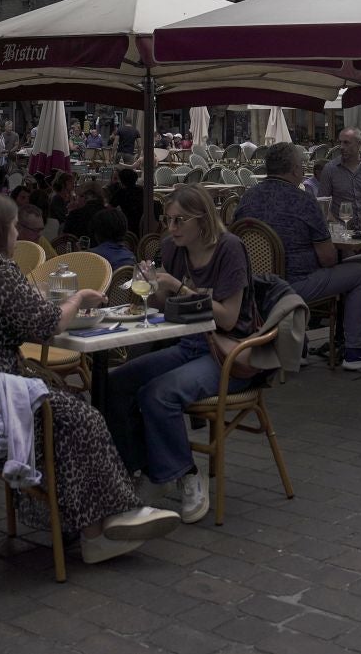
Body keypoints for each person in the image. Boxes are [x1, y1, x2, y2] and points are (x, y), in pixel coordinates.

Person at [0, 191, 178, 562]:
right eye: (12, 226)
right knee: (79, 415)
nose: (16, 234)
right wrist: (78, 300)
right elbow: (45, 325)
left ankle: (88, 524)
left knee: (65, 411)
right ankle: (107, 522)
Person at [104, 186, 257, 523]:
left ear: (202, 220)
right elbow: (162, 306)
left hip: (226, 352)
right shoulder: (173, 248)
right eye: (167, 219)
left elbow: (230, 318)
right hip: (185, 343)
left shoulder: (229, 249)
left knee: (159, 393)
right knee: (113, 385)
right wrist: (150, 286)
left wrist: (177, 286)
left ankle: (187, 474)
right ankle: (149, 468)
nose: (171, 228)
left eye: (179, 220)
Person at [236, 144, 361, 369]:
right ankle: (357, 351)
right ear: (294, 170)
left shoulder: (247, 198)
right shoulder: (303, 201)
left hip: (254, 284)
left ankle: (298, 348)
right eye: (301, 166)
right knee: (360, 274)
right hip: (293, 285)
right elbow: (328, 259)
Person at [319, 128, 361, 220]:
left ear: (359, 144)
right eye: (340, 142)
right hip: (341, 226)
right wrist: (336, 226)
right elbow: (322, 204)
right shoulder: (330, 169)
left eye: (346, 143)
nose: (341, 147)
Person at [108, 168, 147, 235]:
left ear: (122, 180)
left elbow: (109, 208)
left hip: (127, 226)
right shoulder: (141, 190)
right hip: (143, 224)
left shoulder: (121, 192)